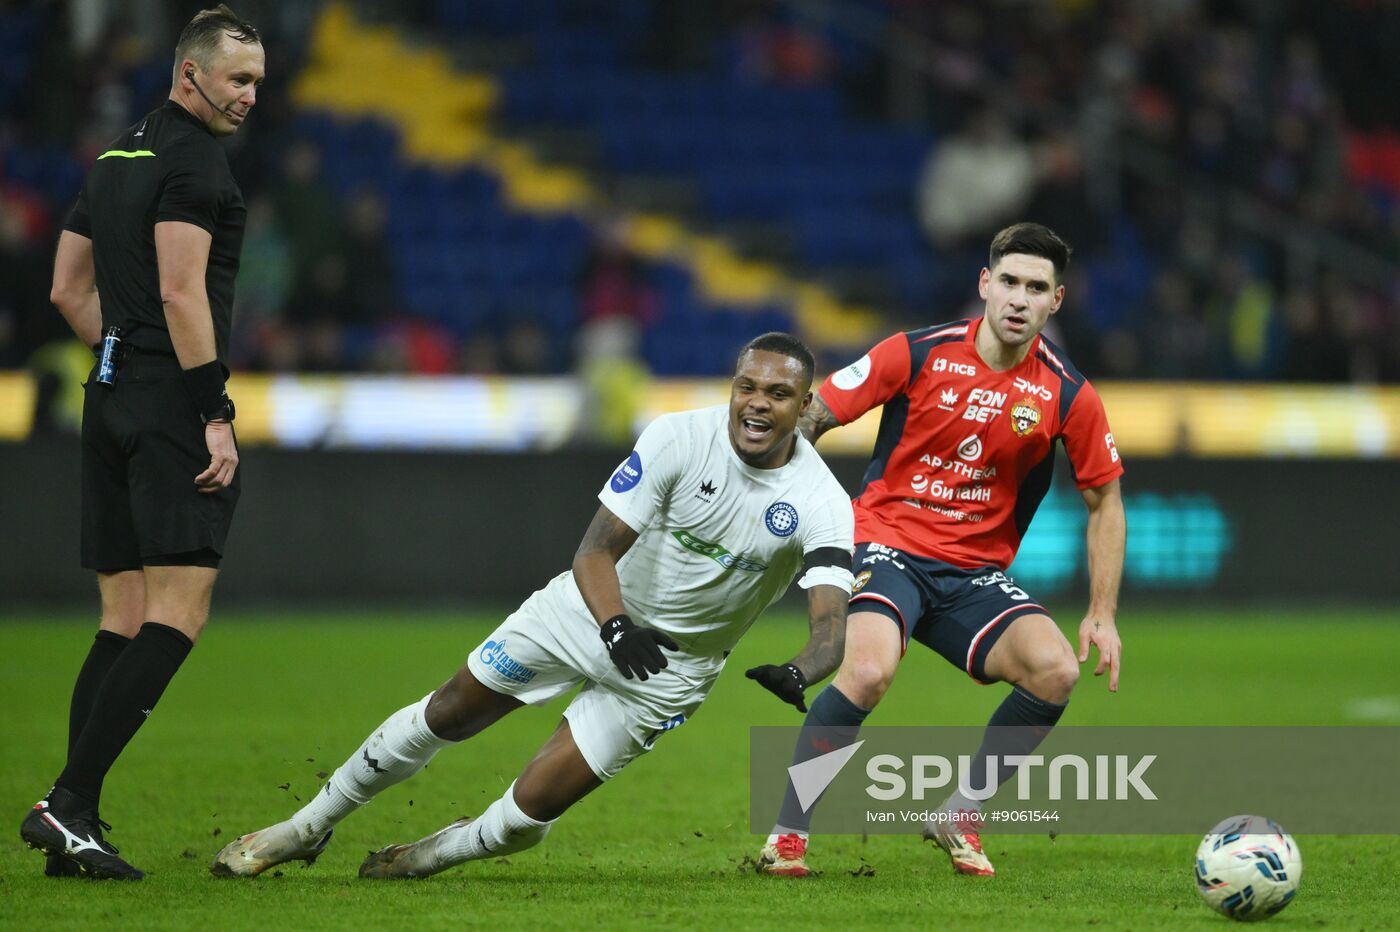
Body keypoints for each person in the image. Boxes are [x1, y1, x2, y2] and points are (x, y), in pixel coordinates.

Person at [211, 333, 856, 880]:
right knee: (448, 713)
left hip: (671, 673)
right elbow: (594, 552)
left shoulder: (822, 501)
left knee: (526, 820)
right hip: (586, 615)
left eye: (777, 395)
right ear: (733, 385)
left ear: (805, 405)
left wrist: (800, 671)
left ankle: (425, 855)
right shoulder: (679, 438)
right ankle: (306, 827)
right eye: (748, 387)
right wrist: (614, 625)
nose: (756, 405)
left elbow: (830, 627)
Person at [758, 223, 1126, 878]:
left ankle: (960, 813)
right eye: (1008, 281)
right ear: (985, 285)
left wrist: (1102, 612)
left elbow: (1106, 502)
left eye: (1035, 288)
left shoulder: (1069, 394)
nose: (1018, 298)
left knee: (1055, 671)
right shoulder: (917, 353)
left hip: (973, 575)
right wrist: (779, 488)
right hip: (884, 542)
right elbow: (816, 415)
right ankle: (789, 831)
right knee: (868, 672)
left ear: (1055, 302)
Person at [19, 5, 264, 881]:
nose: (248, 97)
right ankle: (69, 805)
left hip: (110, 397)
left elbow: (64, 289)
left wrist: (117, 361)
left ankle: (73, 825)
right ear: (189, 73)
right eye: (237, 79)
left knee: (120, 615)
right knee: (177, 613)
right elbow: (181, 289)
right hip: (168, 406)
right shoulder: (198, 167)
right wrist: (212, 411)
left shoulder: (116, 156)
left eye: (258, 84)